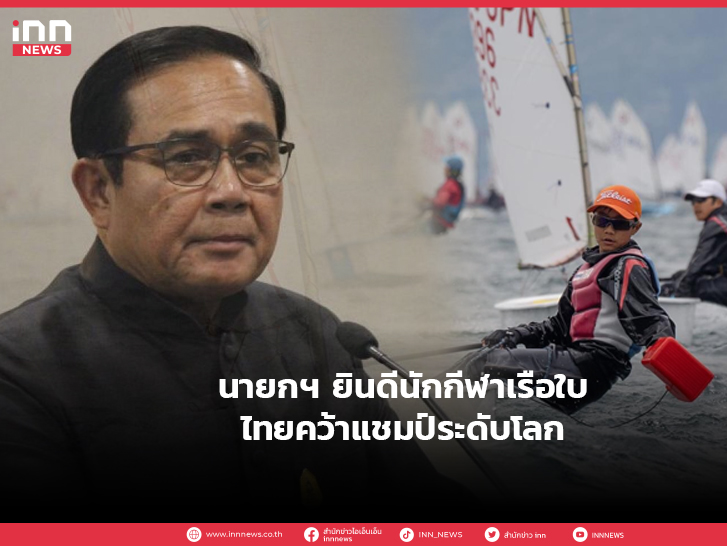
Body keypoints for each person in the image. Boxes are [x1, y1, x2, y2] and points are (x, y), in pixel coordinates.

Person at [0, 26, 461, 518]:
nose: (231, 192)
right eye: (186, 158)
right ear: (98, 191)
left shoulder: (317, 338)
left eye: (254, 158)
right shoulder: (21, 375)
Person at [469, 185, 675, 414]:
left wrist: (672, 362)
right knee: (482, 360)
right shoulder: (585, 269)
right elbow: (558, 327)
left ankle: (447, 421)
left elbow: (650, 318)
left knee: (482, 364)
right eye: (602, 221)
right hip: (573, 364)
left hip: (590, 367)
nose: (609, 230)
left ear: (635, 228)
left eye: (619, 224)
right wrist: (515, 334)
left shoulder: (628, 266)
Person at [660, 178, 727, 310]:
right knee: (681, 277)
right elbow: (708, 265)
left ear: (717, 202)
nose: (696, 205)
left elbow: (699, 262)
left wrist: (679, 292)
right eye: (693, 201)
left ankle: (664, 317)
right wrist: (679, 278)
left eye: (701, 200)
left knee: (682, 284)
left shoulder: (719, 224)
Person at [428, 155, 466, 234]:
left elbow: (440, 203)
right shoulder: (457, 184)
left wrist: (424, 201)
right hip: (445, 225)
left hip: (437, 224)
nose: (444, 169)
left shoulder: (450, 185)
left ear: (450, 170)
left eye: (446, 167)